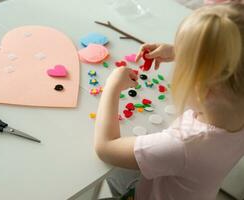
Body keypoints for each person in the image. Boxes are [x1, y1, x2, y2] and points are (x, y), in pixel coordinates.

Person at [94, 3, 244, 200]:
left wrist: (112, 86)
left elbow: (105, 148)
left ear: (203, 89)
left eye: (184, 66)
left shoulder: (182, 146)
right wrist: (177, 52)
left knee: (107, 173)